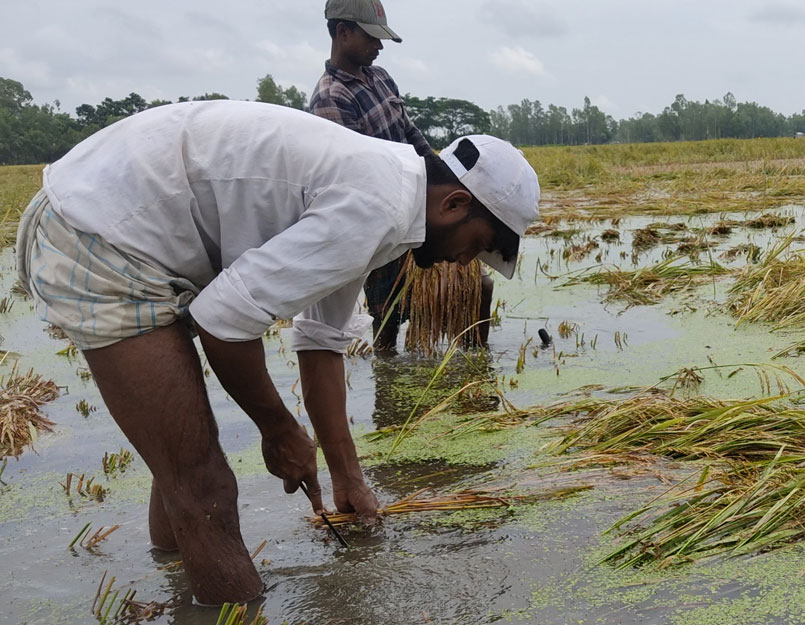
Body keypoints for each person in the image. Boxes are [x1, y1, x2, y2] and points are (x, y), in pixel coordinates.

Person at [14, 100, 539, 605]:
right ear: (455, 204)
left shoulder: (386, 195)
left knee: (179, 456)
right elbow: (222, 323)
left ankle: (175, 590)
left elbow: (320, 343)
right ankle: (229, 605)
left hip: (121, 217)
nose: (467, 260)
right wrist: (280, 430)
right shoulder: (376, 205)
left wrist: (348, 476)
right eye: (479, 244)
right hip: (100, 229)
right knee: (205, 481)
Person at [310, 0, 493, 352]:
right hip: (383, 226)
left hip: (421, 209)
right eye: (372, 38)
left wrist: (445, 181)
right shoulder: (331, 98)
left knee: (478, 287)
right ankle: (387, 383)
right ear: (343, 32)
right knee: (388, 318)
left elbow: (411, 135)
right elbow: (359, 177)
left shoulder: (380, 78)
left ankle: (475, 365)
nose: (379, 46)